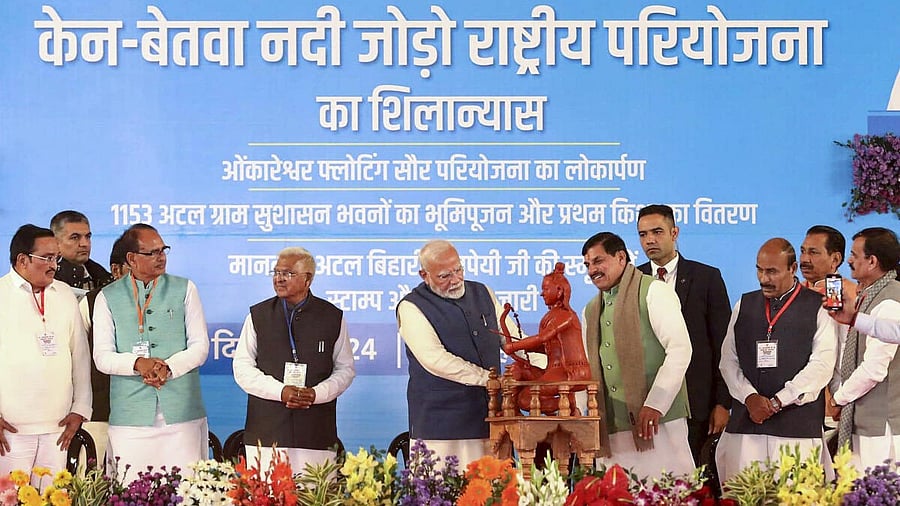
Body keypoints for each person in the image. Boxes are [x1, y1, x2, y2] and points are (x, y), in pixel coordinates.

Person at [716, 238, 838, 484]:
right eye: (759, 270)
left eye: (772, 271)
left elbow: (822, 365)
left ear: (792, 269)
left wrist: (778, 401)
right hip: (746, 425)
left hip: (796, 428)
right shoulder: (744, 304)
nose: (764, 278)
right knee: (742, 496)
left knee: (797, 496)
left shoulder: (819, 306)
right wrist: (750, 397)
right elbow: (728, 360)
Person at [92, 224, 209, 480]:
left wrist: (169, 367)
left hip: (181, 412)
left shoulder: (185, 289)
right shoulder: (107, 297)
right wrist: (138, 364)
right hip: (130, 416)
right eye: (152, 252)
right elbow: (102, 357)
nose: (161, 257)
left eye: (163, 250)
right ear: (132, 259)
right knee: (130, 488)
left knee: (186, 488)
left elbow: (200, 346)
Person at [581, 231, 694, 478]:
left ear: (621, 257)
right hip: (612, 428)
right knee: (617, 493)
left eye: (598, 261)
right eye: (587, 265)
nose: (592, 270)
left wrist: (655, 404)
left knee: (668, 490)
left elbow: (680, 350)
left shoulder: (655, 291)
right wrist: (583, 420)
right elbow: (588, 370)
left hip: (659, 423)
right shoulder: (590, 310)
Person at [233, 247, 355, 473]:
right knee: (267, 493)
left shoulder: (332, 316)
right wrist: (280, 391)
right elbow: (242, 368)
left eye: (287, 273)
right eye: (276, 272)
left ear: (308, 279)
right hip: (267, 434)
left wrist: (317, 394)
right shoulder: (258, 315)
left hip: (316, 432)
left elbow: (345, 369)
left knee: (315, 492)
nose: (279, 278)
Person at [396, 240, 507, 467]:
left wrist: (546, 365)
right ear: (424, 275)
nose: (456, 279)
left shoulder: (483, 293)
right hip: (440, 427)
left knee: (493, 487)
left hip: (492, 420)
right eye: (444, 276)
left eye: (458, 270)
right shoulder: (411, 307)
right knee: (440, 488)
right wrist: (489, 379)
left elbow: (512, 338)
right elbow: (435, 359)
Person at [635, 204, 732, 462]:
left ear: (674, 233)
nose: (650, 240)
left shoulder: (706, 278)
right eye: (643, 234)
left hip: (696, 405)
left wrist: (723, 403)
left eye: (657, 232)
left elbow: (724, 345)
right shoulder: (632, 280)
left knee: (693, 480)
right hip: (645, 405)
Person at [0, 225, 92, 487]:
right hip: (10, 431)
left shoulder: (64, 294)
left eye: (56, 258)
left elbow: (80, 356)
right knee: (10, 499)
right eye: (47, 258)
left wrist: (80, 409)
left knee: (54, 499)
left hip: (58, 428)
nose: (54, 265)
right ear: (22, 260)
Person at [829, 227, 900, 470]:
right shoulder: (868, 294)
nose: (849, 260)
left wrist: (838, 398)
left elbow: (874, 369)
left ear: (872, 261)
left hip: (883, 430)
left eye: (854, 255)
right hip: (866, 424)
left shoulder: (890, 301)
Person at [502, 262, 591, 414]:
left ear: (559, 291)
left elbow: (543, 337)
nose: (541, 294)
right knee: (519, 370)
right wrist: (526, 348)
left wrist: (514, 346)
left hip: (569, 372)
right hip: (554, 370)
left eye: (545, 289)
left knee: (525, 399)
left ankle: (567, 404)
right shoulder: (553, 315)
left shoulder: (566, 315)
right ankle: (515, 411)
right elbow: (548, 347)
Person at [78, 235, 130, 467]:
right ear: (116, 270)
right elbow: (75, 358)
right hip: (98, 413)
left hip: (144, 418)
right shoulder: (91, 303)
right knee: (92, 482)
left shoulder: (165, 304)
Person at [50, 210, 114, 296]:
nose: (85, 244)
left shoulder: (102, 276)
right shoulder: (47, 279)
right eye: (75, 237)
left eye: (88, 237)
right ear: (55, 242)